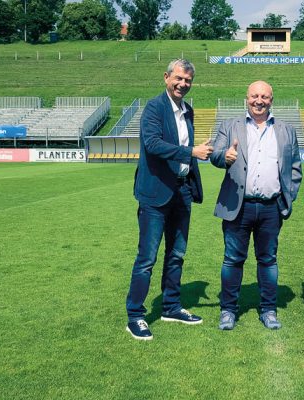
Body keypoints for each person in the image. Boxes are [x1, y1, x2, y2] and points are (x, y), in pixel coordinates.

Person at [125, 59, 214, 341]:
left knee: (177, 254)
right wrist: (190, 152)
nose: (182, 84)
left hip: (182, 191)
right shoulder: (154, 107)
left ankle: (171, 306)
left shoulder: (188, 110)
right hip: (155, 193)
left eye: (187, 80)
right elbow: (152, 144)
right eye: (178, 78)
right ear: (166, 77)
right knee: (146, 258)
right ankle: (135, 315)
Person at [210, 81, 302, 331]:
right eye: (254, 96)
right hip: (237, 206)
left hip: (271, 208)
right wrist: (225, 157)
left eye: (264, 96)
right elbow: (214, 154)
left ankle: (269, 310)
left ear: (272, 99)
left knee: (268, 260)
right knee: (232, 260)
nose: (258, 100)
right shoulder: (230, 126)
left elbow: (295, 167)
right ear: (246, 98)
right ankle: (228, 310)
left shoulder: (286, 129)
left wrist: (288, 197)